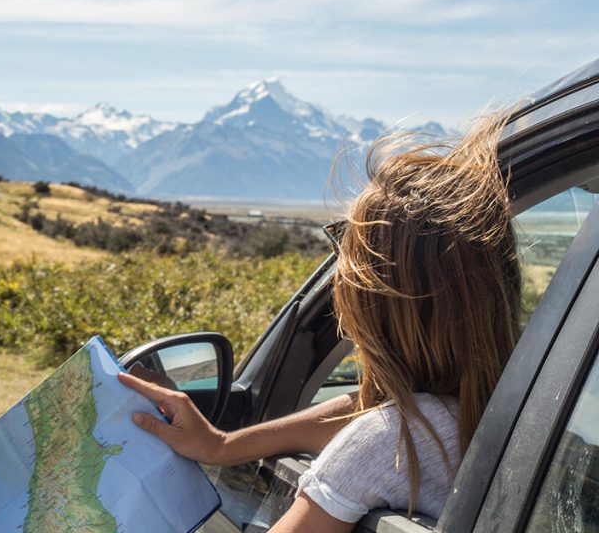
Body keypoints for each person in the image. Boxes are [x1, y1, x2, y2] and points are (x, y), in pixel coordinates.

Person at [119, 112, 522, 532]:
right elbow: (361, 411)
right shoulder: (508, 409)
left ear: (374, 301)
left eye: (345, 250)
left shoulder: (389, 443)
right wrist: (221, 446)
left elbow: (377, 429)